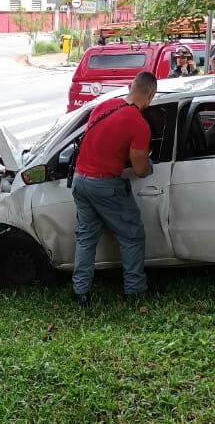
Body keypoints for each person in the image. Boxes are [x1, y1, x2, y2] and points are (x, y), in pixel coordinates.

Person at [71, 71, 158, 305]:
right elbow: (140, 169)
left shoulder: (105, 106)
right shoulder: (139, 124)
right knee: (131, 235)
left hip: (80, 180)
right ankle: (135, 289)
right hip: (104, 185)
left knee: (86, 238)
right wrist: (149, 165)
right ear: (150, 96)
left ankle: (81, 292)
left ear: (131, 86)